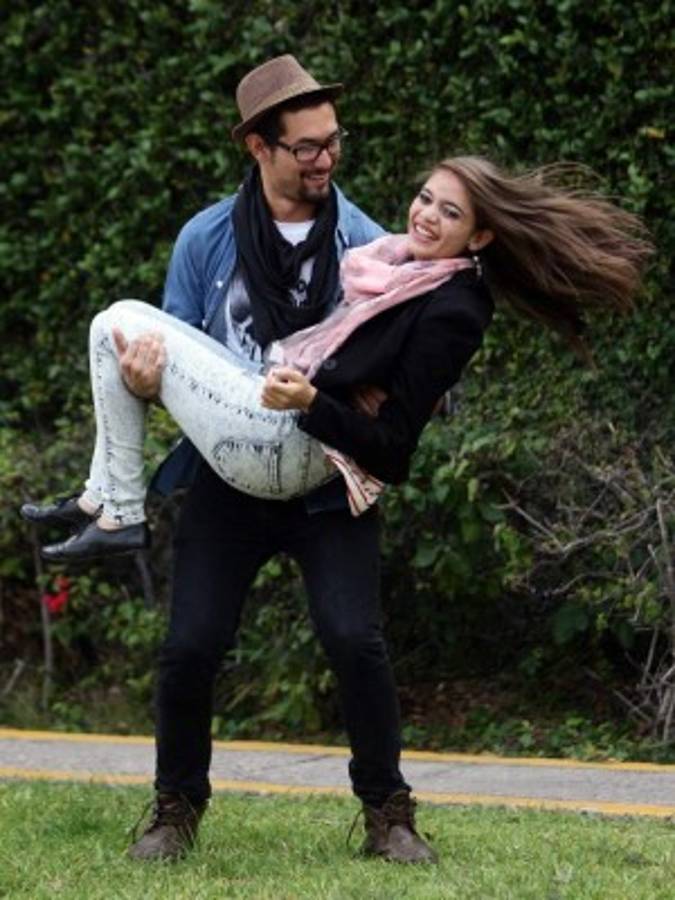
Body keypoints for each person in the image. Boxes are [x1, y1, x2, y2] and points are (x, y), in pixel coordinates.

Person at [22, 57, 652, 862]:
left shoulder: (371, 242)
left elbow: (421, 360)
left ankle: (389, 815)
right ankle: (174, 811)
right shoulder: (204, 239)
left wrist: (373, 397)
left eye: (333, 142)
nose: (326, 159)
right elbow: (176, 356)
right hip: (228, 472)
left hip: (324, 477)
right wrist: (144, 382)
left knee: (355, 640)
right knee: (189, 646)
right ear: (259, 147)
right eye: (307, 147)